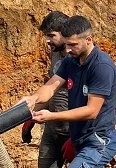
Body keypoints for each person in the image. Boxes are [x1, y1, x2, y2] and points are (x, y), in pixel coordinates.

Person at [19, 16, 116, 168]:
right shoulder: (70, 61)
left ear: (88, 39)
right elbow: (51, 87)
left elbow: (91, 111)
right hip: (79, 138)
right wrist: (33, 99)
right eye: (66, 45)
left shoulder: (101, 66)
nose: (68, 50)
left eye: (73, 45)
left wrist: (51, 116)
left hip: (98, 141)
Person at [21, 11, 73, 168]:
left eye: (51, 35)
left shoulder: (80, 59)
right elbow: (51, 89)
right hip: (52, 129)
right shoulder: (56, 53)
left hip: (74, 132)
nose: (47, 41)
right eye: (45, 35)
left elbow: (93, 104)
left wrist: (78, 139)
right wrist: (32, 114)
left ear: (65, 34)